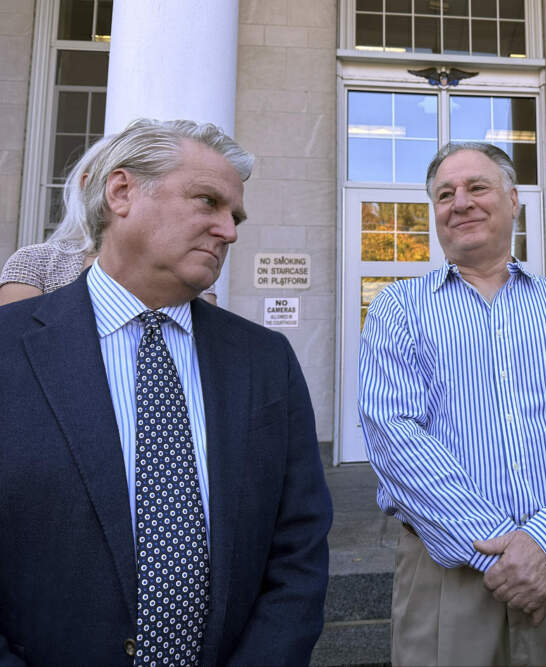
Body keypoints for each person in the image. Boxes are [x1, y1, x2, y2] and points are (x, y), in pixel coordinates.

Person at [0, 118, 332, 666]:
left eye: (236, 216)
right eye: (208, 202)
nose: (229, 231)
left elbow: (298, 547)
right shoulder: (12, 349)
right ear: (122, 191)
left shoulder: (265, 361)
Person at [358, 142, 546, 666]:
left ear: (513, 201)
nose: (460, 202)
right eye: (445, 194)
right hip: (449, 572)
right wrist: (500, 549)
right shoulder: (398, 308)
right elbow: (393, 434)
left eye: (477, 187)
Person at [0, 136, 217, 306]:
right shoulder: (37, 263)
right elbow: (16, 351)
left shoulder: (188, 264)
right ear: (89, 184)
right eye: (121, 187)